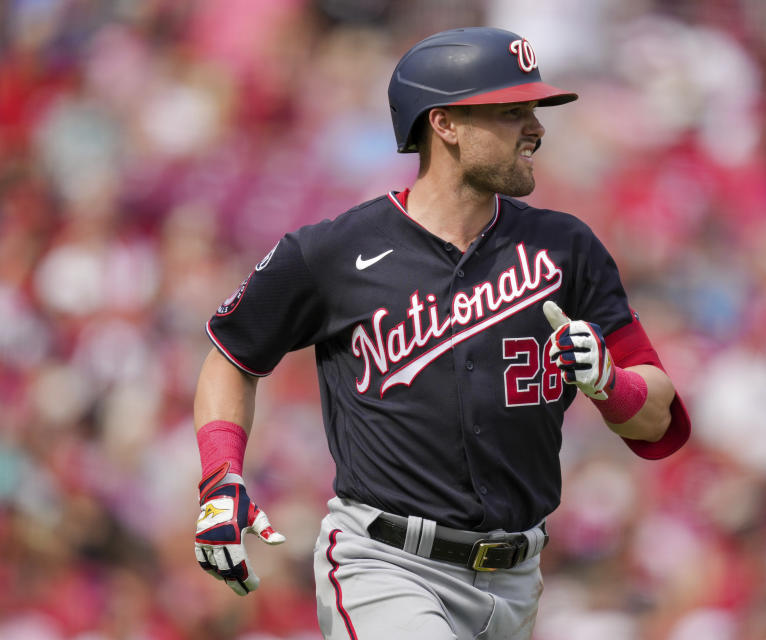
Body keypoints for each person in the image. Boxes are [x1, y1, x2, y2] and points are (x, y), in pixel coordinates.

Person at [192, 26, 691, 640]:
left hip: (517, 576)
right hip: (385, 564)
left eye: (533, 110)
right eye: (512, 112)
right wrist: (221, 475)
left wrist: (611, 385)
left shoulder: (567, 248)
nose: (535, 128)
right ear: (445, 123)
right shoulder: (333, 252)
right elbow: (233, 353)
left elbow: (658, 416)